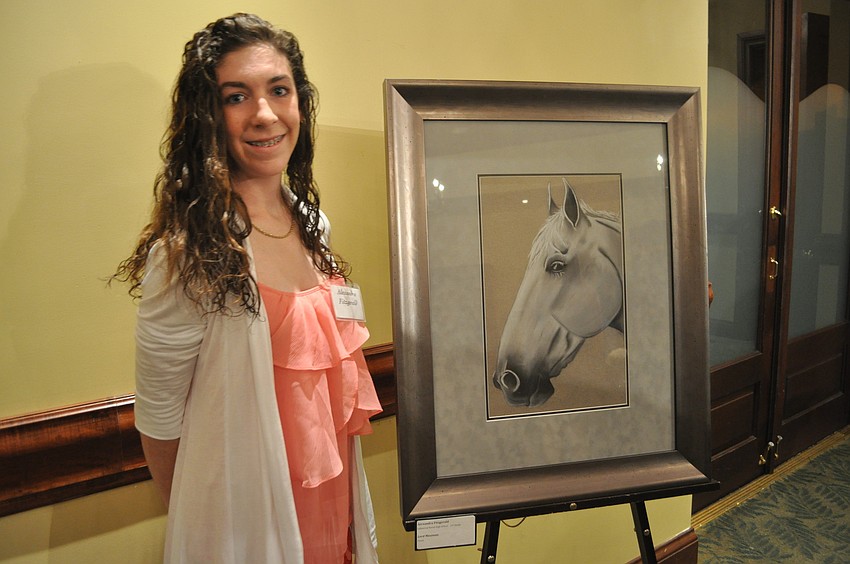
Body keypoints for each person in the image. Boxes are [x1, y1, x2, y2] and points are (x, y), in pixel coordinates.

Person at [113, 13, 382, 563]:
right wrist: (211, 528)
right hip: (248, 528)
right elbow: (161, 419)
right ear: (207, 115)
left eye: (278, 90)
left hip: (333, 510)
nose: (264, 114)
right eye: (236, 96)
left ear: (299, 102)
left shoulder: (312, 225)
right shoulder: (191, 252)